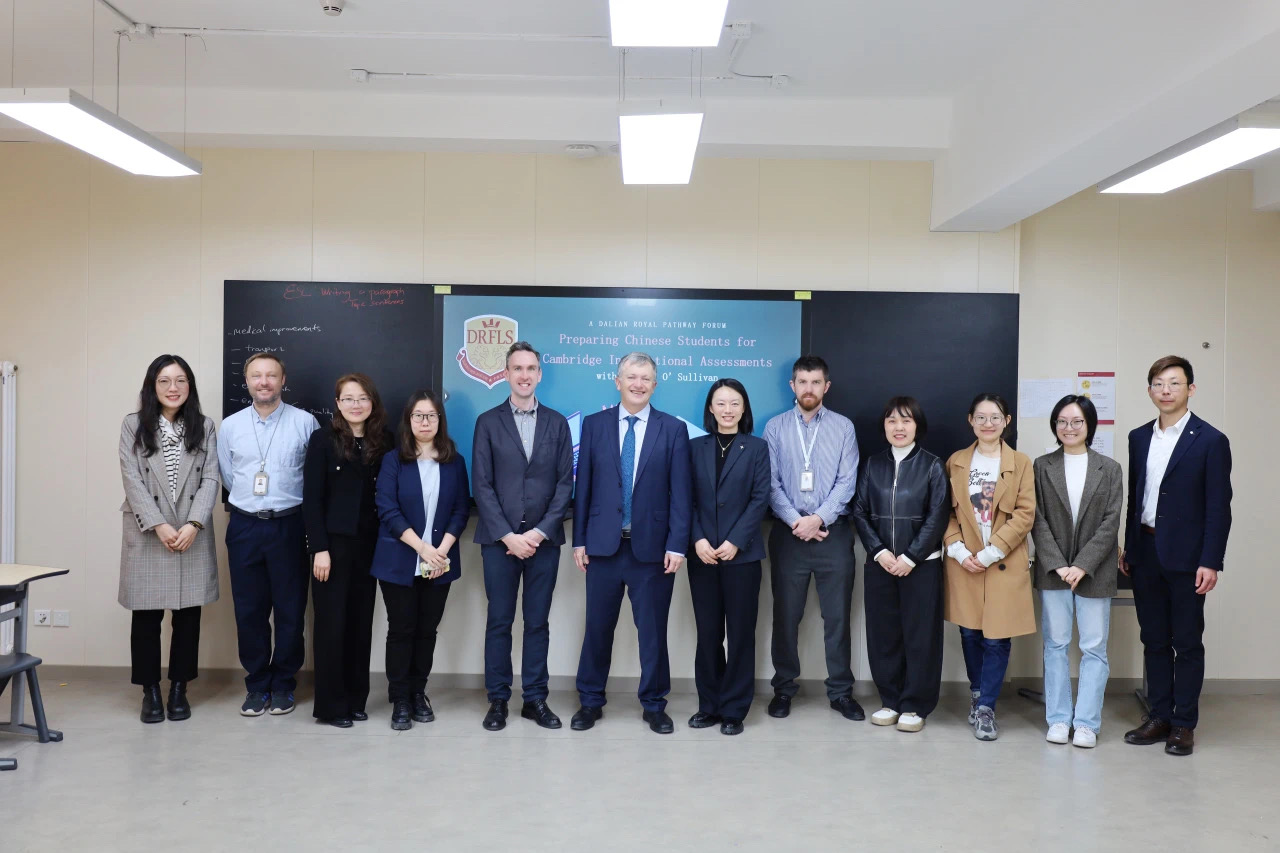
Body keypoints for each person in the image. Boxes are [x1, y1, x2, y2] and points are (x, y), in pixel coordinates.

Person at [570, 352, 692, 735]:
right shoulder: (595, 425)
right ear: (617, 381)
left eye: (645, 378)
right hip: (602, 548)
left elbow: (681, 494)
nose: (638, 384)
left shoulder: (672, 429)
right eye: (631, 377)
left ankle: (654, 705)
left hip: (652, 552)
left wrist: (677, 545)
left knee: (652, 634)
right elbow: (584, 488)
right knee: (597, 629)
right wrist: (579, 540)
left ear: (655, 385)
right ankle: (590, 701)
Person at [1120, 356, 1231, 756]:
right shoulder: (1138, 437)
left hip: (1188, 558)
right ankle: (1159, 716)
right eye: (1158, 383)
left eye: (1174, 383)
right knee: (1153, 639)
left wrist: (1211, 560)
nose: (1165, 390)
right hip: (1146, 551)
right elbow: (1136, 498)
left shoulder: (1211, 440)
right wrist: (1130, 547)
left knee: (1186, 642)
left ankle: (1184, 724)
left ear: (1190, 389)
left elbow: (1219, 507)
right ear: (1149, 390)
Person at [471, 342, 574, 732]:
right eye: (518, 368)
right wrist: (508, 536)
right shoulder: (487, 422)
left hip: (543, 542)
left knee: (537, 622)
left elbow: (565, 485)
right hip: (499, 543)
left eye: (531, 368)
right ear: (506, 373)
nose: (525, 375)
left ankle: (535, 699)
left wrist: (538, 532)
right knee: (499, 621)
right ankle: (498, 700)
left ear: (540, 374)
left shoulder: (557, 423)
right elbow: (482, 485)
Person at [117, 355, 220, 724]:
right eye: (164, 381)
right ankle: (149, 692)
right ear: (152, 386)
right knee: (146, 618)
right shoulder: (133, 425)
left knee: (188, 617)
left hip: (191, 531)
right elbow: (131, 478)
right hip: (148, 531)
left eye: (180, 380)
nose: (173, 388)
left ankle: (179, 689)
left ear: (190, 386)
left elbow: (211, 477)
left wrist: (194, 523)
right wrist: (159, 524)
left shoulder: (204, 426)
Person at [217, 352, 319, 717]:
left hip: (289, 525)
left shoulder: (305, 423)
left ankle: (284, 685)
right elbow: (229, 476)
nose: (264, 382)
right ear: (246, 381)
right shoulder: (230, 426)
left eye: (271, 375)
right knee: (249, 611)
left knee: (290, 610)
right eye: (256, 376)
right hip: (244, 526)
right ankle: (257, 685)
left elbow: (313, 478)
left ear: (283, 380)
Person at [762, 355, 862, 722]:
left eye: (816, 382)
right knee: (786, 617)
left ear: (826, 386)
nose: (809, 388)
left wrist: (818, 518)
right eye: (802, 382)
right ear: (792, 385)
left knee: (837, 618)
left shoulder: (843, 427)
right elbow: (770, 483)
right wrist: (797, 522)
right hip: (788, 536)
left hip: (833, 535)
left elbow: (847, 482)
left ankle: (841, 693)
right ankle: (783, 689)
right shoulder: (774, 427)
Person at [371, 391, 469, 731]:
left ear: (440, 420)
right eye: (418, 416)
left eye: (431, 416)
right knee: (401, 630)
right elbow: (387, 508)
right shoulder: (393, 460)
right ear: (408, 420)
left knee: (427, 630)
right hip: (400, 559)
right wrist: (422, 548)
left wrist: (441, 549)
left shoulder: (454, 461)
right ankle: (399, 698)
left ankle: (417, 693)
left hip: (440, 560)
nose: (424, 422)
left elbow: (461, 509)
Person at [851, 396, 948, 733]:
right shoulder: (873, 465)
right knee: (884, 635)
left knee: (920, 637)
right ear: (884, 426)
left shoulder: (933, 466)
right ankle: (890, 700)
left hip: (921, 566)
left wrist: (910, 557)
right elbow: (859, 511)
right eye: (892, 420)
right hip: (880, 564)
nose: (899, 427)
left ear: (917, 426)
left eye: (906, 420)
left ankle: (915, 705)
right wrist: (879, 552)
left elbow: (938, 516)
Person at [1031, 394, 1123, 749]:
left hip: (1095, 571)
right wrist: (1058, 564)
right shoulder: (1041, 466)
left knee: (1094, 648)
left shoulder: (1109, 468)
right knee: (1055, 645)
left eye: (1077, 421)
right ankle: (1058, 718)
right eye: (1062, 421)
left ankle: (1086, 723)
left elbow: (1110, 523)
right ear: (1055, 425)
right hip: (1053, 570)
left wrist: (1083, 564)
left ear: (1089, 425)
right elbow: (1037, 519)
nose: (1069, 428)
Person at [942, 392, 1035, 741]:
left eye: (995, 417)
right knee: (969, 632)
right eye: (980, 417)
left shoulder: (1020, 462)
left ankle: (986, 708)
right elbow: (945, 512)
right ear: (970, 420)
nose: (988, 423)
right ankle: (977, 692)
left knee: (997, 638)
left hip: (1002, 562)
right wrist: (956, 549)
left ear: (1006, 421)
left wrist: (990, 553)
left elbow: (1025, 514)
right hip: (964, 562)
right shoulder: (956, 462)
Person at [302, 373, 393, 728]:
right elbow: (312, 499)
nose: (356, 405)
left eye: (363, 398)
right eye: (349, 398)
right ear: (337, 404)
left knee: (360, 623)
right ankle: (331, 706)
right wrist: (319, 548)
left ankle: (356, 700)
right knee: (331, 625)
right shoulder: (323, 440)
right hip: (333, 548)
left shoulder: (383, 441)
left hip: (370, 546)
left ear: (372, 403)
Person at [687, 378, 771, 736]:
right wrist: (697, 539)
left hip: (743, 557)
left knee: (740, 634)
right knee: (707, 634)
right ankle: (709, 705)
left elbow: (760, 498)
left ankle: (735, 709)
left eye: (734, 403)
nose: (727, 410)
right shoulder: (694, 447)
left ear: (744, 408)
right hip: (702, 556)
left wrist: (736, 540)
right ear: (710, 407)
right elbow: (685, 499)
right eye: (720, 403)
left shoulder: (757, 448)